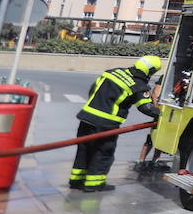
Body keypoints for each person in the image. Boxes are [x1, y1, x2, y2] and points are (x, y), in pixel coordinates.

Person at [69, 55, 163, 192]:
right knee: (102, 153)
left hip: (86, 117)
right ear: (151, 71)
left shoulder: (113, 72)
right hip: (106, 125)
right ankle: (94, 184)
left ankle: (76, 181)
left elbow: (93, 89)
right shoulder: (138, 84)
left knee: (84, 150)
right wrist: (163, 116)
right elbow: (146, 108)